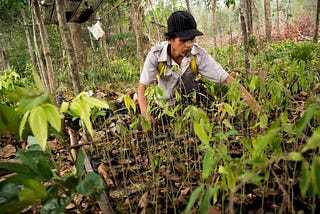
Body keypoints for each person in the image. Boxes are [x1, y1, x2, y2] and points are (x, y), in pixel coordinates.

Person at [137, 10, 261, 123]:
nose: (189, 45)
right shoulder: (156, 55)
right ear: (169, 39)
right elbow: (143, 86)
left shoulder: (198, 54)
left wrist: (258, 110)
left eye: (192, 39)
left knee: (195, 87)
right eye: (183, 40)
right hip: (164, 107)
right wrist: (145, 115)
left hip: (191, 107)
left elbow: (227, 80)